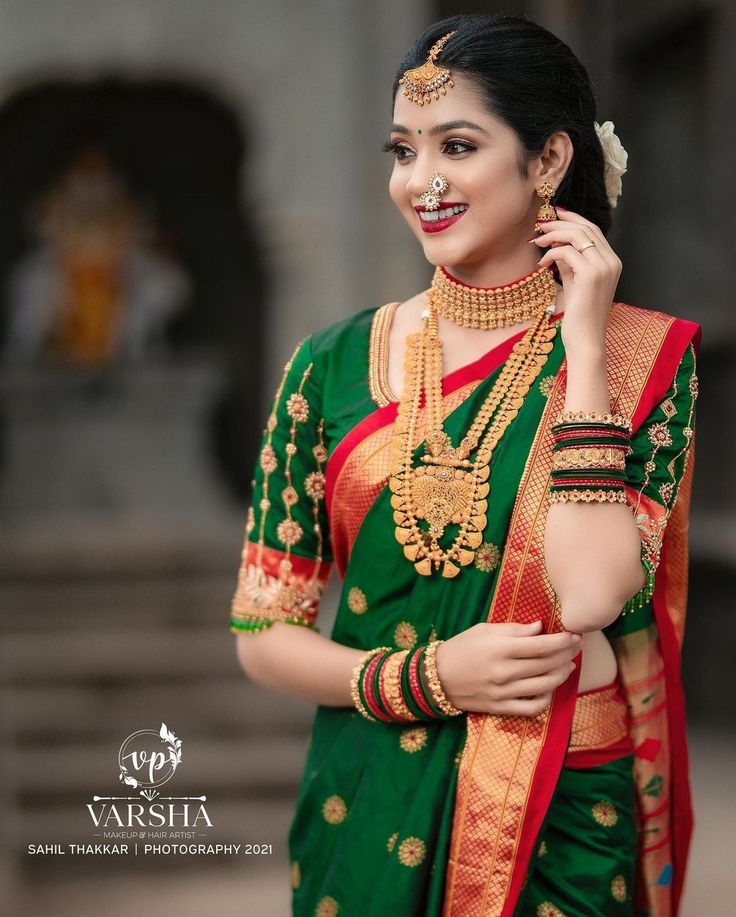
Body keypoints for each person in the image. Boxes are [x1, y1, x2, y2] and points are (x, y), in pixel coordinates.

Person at [230, 14, 699, 917]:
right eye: (403, 150)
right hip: (364, 790)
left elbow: (591, 597)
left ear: (550, 162)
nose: (423, 181)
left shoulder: (642, 360)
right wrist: (424, 677)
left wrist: (586, 350)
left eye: (458, 145)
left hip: (558, 803)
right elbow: (262, 633)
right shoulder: (327, 366)